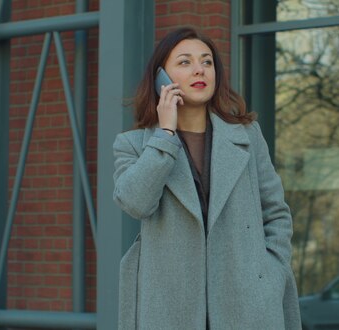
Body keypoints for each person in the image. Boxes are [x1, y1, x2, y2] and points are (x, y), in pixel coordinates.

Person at [113, 27, 301, 330]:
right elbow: (135, 203)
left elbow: (276, 212)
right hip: (169, 308)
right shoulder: (134, 145)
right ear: (161, 78)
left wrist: (271, 271)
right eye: (185, 62)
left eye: (207, 61)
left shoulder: (247, 137)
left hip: (247, 305)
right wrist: (165, 135)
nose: (199, 69)